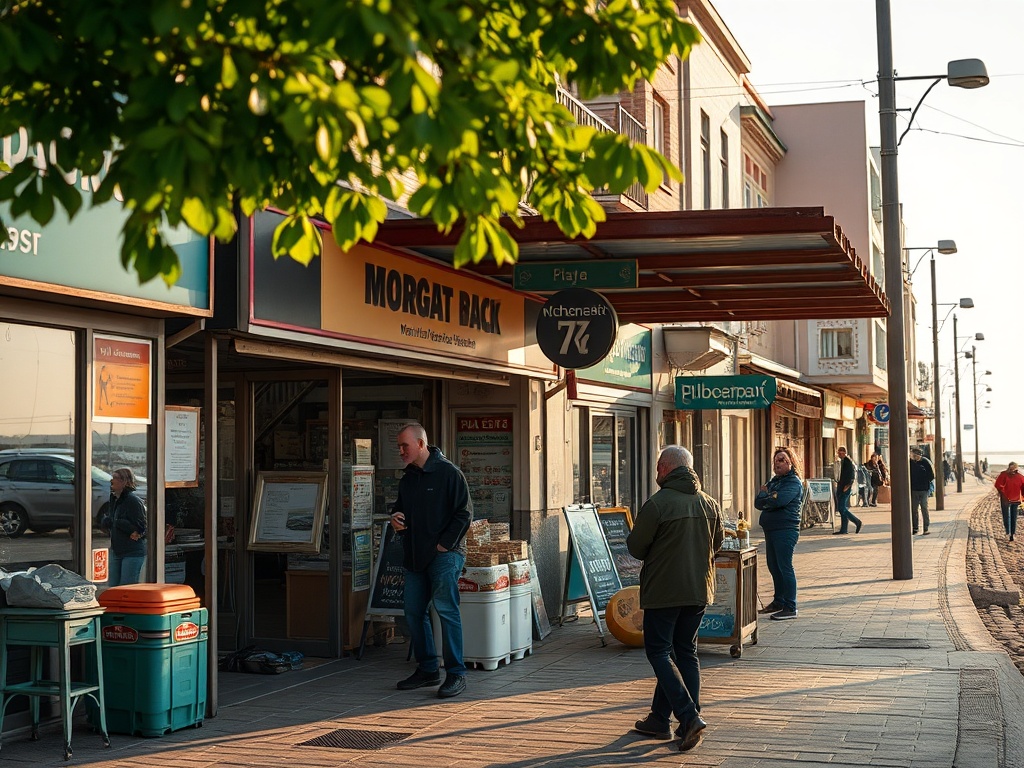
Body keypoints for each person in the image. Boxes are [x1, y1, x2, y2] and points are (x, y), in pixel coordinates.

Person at [627, 446, 723, 752]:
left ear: (667, 467)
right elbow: (717, 542)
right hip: (698, 590)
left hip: (664, 591)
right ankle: (660, 719)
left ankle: (688, 716)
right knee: (685, 652)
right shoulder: (709, 502)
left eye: (658, 466)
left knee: (659, 651)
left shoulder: (658, 504)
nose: (656, 471)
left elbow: (636, 548)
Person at [390, 424, 472, 699]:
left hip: (444, 555)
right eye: (399, 446)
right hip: (415, 555)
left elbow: (464, 514)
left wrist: (444, 545)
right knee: (414, 612)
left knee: (446, 611)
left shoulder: (449, 473)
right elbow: (400, 508)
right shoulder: (408, 478)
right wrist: (396, 519)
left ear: (421, 444)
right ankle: (428, 669)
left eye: (405, 446)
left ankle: (456, 674)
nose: (401, 451)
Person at [754, 447, 805, 621]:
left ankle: (790, 607)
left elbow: (779, 501)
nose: (778, 463)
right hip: (771, 530)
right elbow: (758, 502)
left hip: (785, 529)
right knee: (773, 566)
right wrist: (767, 495)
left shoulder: (793, 482)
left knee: (784, 567)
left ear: (791, 462)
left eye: (782, 460)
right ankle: (779, 601)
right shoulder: (774, 481)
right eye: (776, 460)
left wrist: (767, 497)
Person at [100, 467, 147, 586]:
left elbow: (141, 526)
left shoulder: (133, 500)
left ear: (124, 481)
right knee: (113, 587)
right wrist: (107, 522)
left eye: (115, 478)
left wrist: (124, 525)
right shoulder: (114, 498)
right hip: (116, 550)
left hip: (132, 552)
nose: (112, 480)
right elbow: (111, 518)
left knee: (126, 588)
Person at [833, 446, 861, 534]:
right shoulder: (840, 462)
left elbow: (851, 476)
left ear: (845, 453)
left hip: (845, 487)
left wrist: (847, 486)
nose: (840, 454)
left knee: (841, 508)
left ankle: (857, 521)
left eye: (841, 452)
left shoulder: (848, 462)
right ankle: (844, 529)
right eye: (839, 452)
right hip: (840, 486)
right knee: (842, 508)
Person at [994, 462, 1024, 541]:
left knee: (1014, 517)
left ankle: (1012, 534)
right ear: (1008, 468)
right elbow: (997, 484)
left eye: (1013, 469)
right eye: (1010, 468)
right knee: (1006, 516)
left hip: (1016, 499)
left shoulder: (1020, 476)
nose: (1012, 470)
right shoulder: (1003, 475)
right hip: (1005, 499)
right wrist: (1002, 492)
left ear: (1016, 468)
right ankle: (1008, 532)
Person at [909, 447, 935, 535]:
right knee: (914, 509)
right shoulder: (910, 463)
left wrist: (925, 481)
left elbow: (931, 475)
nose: (914, 457)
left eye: (915, 455)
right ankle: (915, 528)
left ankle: (926, 528)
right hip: (914, 489)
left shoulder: (925, 462)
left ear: (919, 455)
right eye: (912, 455)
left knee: (924, 507)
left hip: (924, 489)